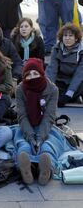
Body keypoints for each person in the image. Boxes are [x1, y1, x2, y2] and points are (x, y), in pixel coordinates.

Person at [14, 58, 74, 186]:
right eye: (28, 75)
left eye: (35, 73)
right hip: (26, 127)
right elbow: (22, 115)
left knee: (49, 146)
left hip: (46, 128)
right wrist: (31, 137)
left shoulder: (52, 90)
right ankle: (25, 169)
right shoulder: (20, 89)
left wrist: (40, 138)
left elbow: (49, 116)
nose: (32, 77)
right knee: (23, 145)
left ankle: (47, 170)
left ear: (41, 74)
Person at [46, 23, 83, 107]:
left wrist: (69, 94)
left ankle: (72, 95)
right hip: (61, 81)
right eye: (65, 35)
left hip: (76, 82)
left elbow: (79, 74)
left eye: (70, 36)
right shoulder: (56, 49)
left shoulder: (81, 51)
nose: (67, 38)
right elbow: (52, 69)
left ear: (76, 38)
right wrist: (49, 89)